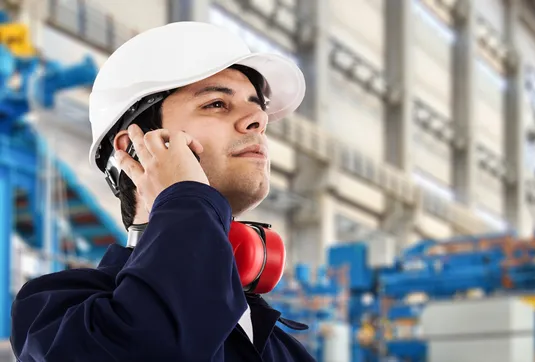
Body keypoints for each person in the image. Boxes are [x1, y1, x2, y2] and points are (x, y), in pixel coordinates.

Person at [10, 21, 315, 361]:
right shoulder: (55, 313)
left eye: (257, 108)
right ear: (134, 148)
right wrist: (186, 196)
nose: (258, 120)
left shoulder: (282, 348)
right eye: (216, 104)